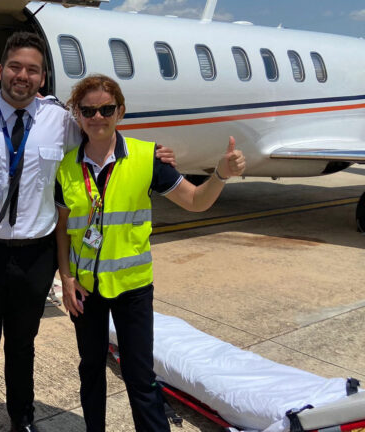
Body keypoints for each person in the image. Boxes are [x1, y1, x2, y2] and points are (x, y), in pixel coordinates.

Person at [0, 32, 175, 432]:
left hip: (34, 254)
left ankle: (22, 420)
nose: (22, 76)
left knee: (23, 345)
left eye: (32, 70)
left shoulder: (60, 120)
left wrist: (157, 154)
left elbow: (103, 134)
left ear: (42, 78)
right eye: (15, 67)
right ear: (0, 71)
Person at [54, 74, 246, 432]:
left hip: (133, 288)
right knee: (91, 371)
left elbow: (194, 201)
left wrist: (220, 174)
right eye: (88, 110)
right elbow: (62, 230)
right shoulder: (66, 167)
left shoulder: (147, 157)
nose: (98, 117)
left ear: (120, 112)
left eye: (106, 109)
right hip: (86, 291)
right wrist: (65, 278)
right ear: (77, 115)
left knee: (140, 376)